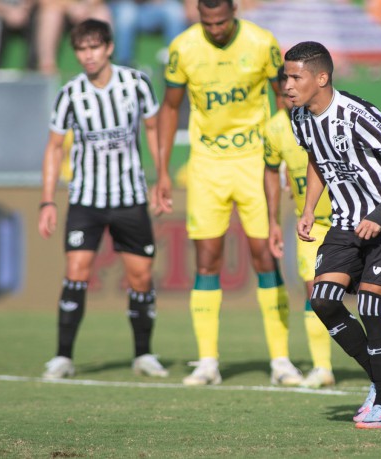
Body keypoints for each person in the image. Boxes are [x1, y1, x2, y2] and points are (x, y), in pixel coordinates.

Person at [154, 0, 303, 387]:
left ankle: (281, 360)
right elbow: (169, 109)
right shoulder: (183, 48)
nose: (215, 28)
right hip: (207, 165)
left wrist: (287, 158)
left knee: (265, 257)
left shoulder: (261, 43)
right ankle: (207, 361)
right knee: (207, 259)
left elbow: (285, 103)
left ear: (234, 12)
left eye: (221, 21)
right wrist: (163, 171)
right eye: (207, 22)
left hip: (255, 161)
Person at [284, 41, 381, 428]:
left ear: (322, 77)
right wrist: (310, 208)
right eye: (286, 76)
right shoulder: (298, 117)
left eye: (296, 76)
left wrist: (380, 213)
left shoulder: (356, 115)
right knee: (323, 301)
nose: (288, 84)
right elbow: (316, 159)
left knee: (370, 304)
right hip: (345, 220)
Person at [38, 19, 168, 380]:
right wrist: (47, 200)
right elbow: (53, 148)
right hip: (86, 199)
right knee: (76, 271)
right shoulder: (69, 94)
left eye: (94, 47)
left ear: (109, 47)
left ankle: (143, 354)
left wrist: (162, 178)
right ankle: (63, 356)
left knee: (141, 277)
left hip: (130, 197)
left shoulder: (136, 84)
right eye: (81, 48)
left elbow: (155, 130)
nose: (88, 55)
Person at [109, 0, 193, 68]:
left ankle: (176, 62)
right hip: (127, 6)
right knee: (126, 15)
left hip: (155, 7)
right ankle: (124, 66)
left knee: (174, 11)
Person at [35, 0, 111, 74]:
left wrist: (86, 6)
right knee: (50, 15)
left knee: (102, 14)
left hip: (85, 7)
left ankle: (101, 68)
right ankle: (47, 68)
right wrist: (69, 6)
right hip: (57, 8)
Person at [0, 0, 38, 69]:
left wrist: (23, 10)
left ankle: (32, 67)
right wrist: (8, 12)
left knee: (39, 20)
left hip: (24, 16)